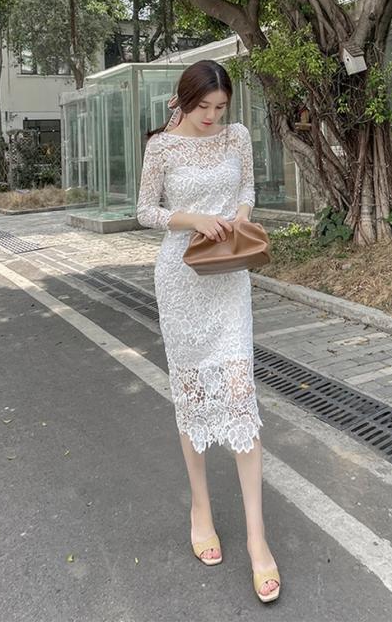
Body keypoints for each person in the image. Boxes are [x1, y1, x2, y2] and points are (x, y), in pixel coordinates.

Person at [136, 59, 280, 603]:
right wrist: (193, 218)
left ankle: (257, 540)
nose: (213, 117)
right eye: (204, 108)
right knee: (192, 396)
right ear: (185, 99)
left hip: (229, 277)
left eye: (221, 107)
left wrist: (239, 214)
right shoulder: (161, 147)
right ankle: (201, 508)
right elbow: (145, 210)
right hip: (181, 278)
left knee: (241, 397)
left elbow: (247, 188)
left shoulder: (236, 135)